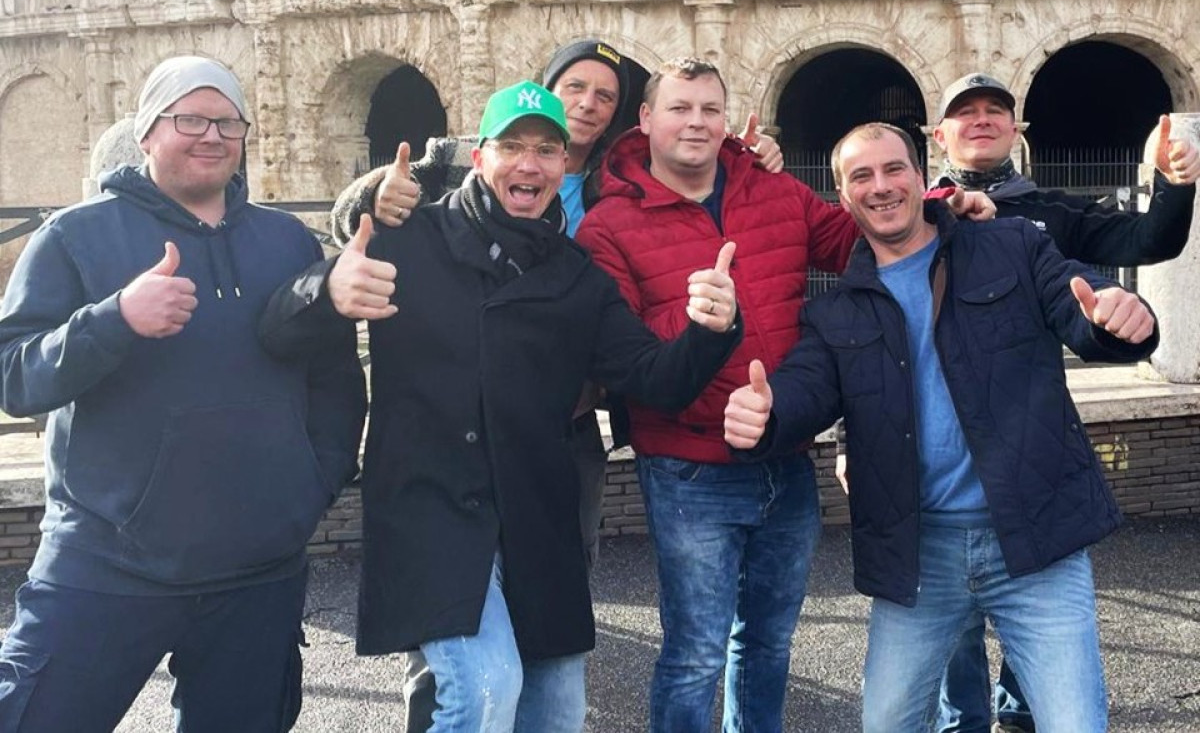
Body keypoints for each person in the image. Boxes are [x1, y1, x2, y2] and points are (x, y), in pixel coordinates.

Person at [259, 80, 743, 733]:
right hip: (430, 508)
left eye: (547, 149)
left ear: (564, 165)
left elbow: (653, 377)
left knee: (558, 712)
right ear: (481, 156)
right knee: (484, 689)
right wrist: (327, 288)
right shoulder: (410, 238)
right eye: (512, 146)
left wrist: (711, 332)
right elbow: (279, 325)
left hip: (536, 516)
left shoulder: (576, 277)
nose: (530, 163)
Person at [575, 58, 992, 733]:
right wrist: (698, 320)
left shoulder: (770, 188)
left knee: (768, 644)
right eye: (680, 108)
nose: (698, 122)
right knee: (696, 653)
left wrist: (944, 206)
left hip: (786, 454)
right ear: (647, 120)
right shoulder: (608, 226)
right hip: (690, 466)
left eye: (711, 109)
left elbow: (853, 235)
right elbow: (624, 354)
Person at [724, 122, 1160, 733]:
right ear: (844, 200)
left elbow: (1079, 304)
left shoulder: (1010, 244)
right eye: (861, 177)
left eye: (894, 168)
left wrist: (1117, 317)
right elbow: (805, 389)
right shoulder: (834, 311)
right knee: (887, 723)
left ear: (922, 176)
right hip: (917, 555)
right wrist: (766, 416)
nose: (881, 187)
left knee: (1075, 723)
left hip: (1035, 541)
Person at [0, 56, 367, 732]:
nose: (211, 135)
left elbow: (336, 382)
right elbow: (14, 375)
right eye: (189, 118)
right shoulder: (74, 237)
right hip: (107, 559)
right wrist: (114, 320)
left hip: (257, 570)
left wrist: (310, 487)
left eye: (228, 120)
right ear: (146, 133)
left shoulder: (286, 241)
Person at [922, 72, 1199, 733]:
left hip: (1027, 434)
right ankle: (960, 720)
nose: (982, 120)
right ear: (940, 135)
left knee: (1037, 595)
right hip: (937, 440)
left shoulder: (1051, 210)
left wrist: (1175, 185)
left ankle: (1017, 716)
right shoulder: (912, 211)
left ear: (1018, 131)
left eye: (997, 110)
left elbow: (1148, 241)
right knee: (951, 626)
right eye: (966, 112)